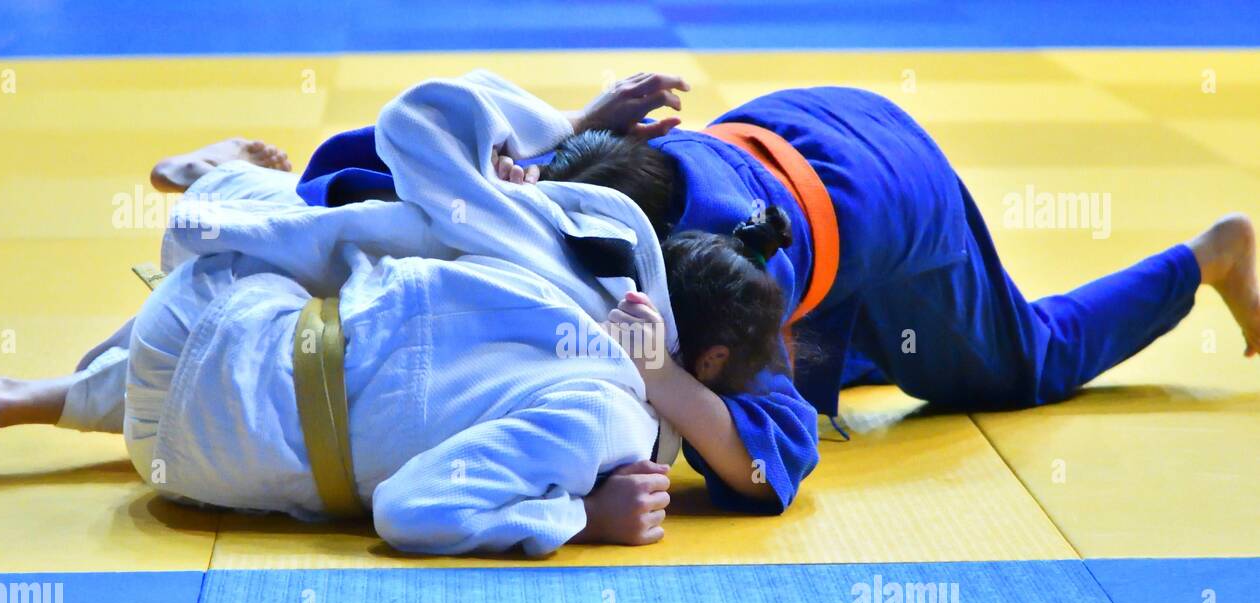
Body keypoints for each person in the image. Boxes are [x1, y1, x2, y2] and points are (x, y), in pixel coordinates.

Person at [289, 73, 1260, 514]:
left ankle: (1209, 255)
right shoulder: (601, 185)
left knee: (1014, 364)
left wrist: (661, 378)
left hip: (889, 192)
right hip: (797, 120)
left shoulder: (700, 287)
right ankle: (866, 338)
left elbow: (764, 469)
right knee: (856, 356)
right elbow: (415, 181)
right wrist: (580, 128)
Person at [0, 72, 791, 555]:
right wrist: (581, 520)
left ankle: (209, 193)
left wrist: (555, 132)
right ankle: (33, 398)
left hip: (192, 318)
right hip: (190, 456)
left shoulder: (545, 242)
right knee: (334, 338)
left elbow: (422, 117)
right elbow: (409, 511)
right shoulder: (610, 423)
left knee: (346, 244)